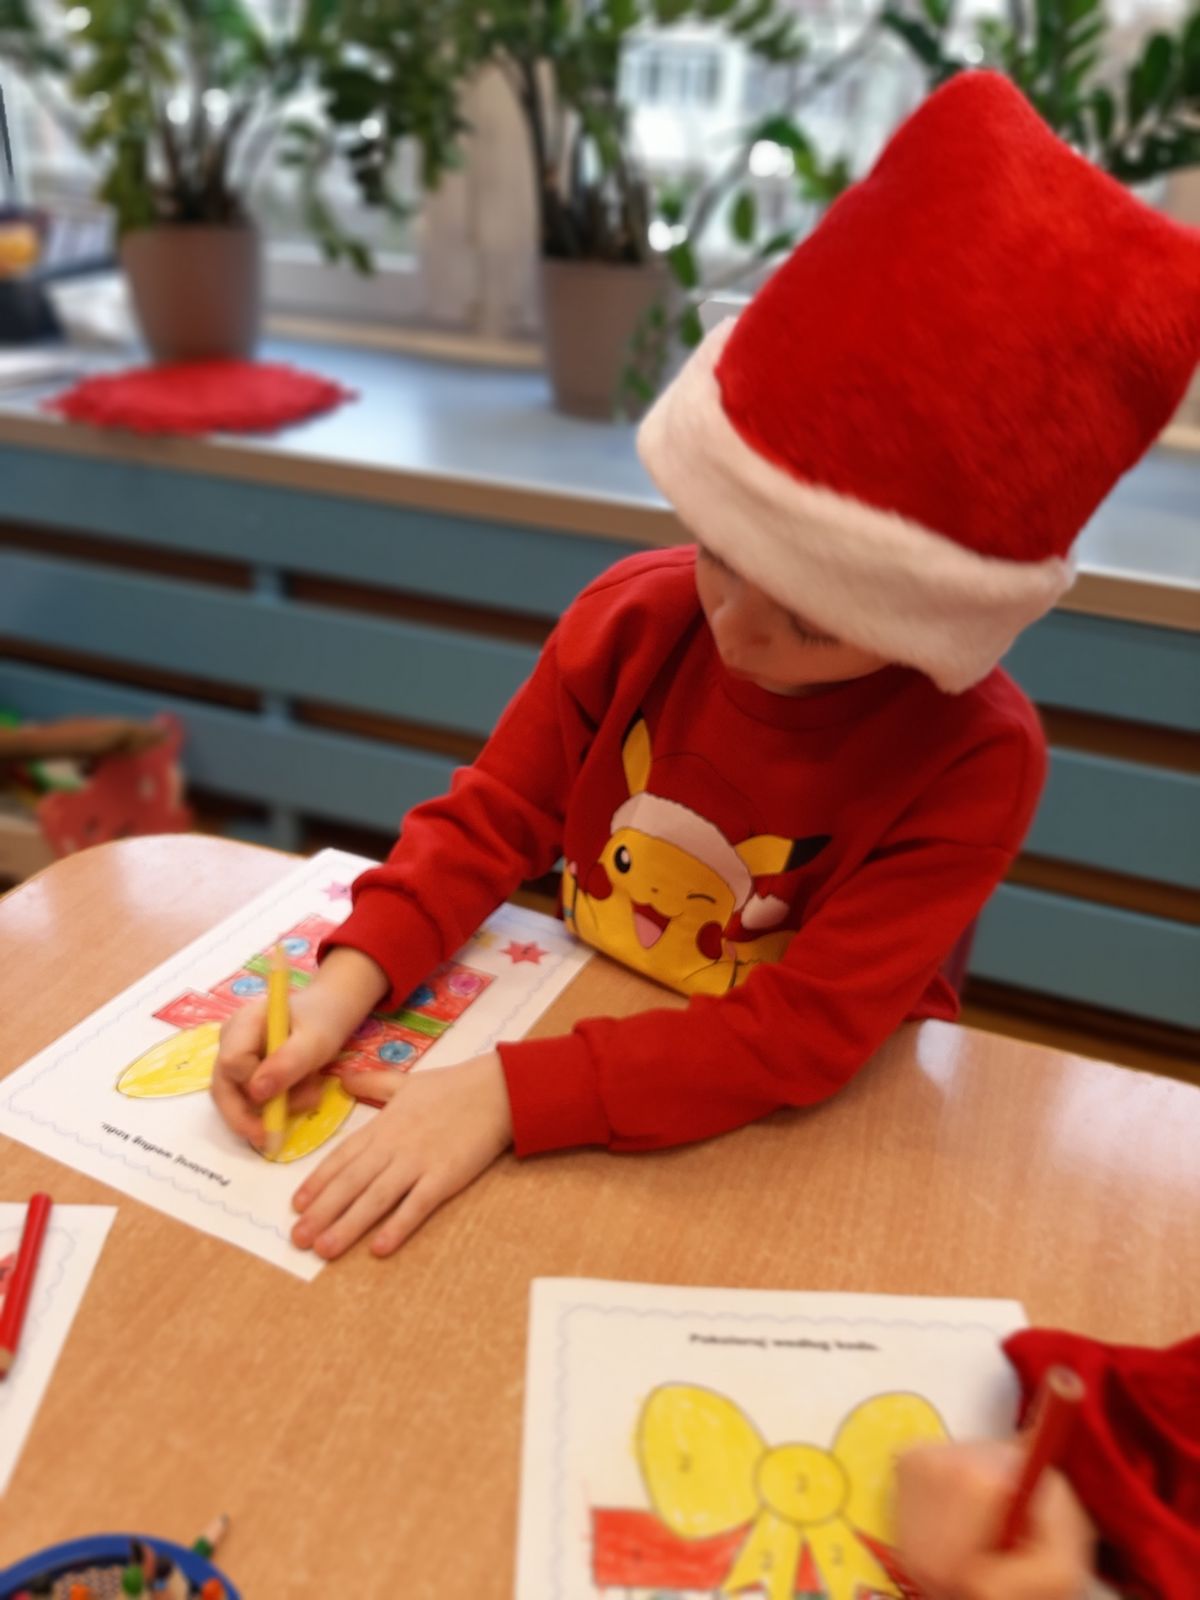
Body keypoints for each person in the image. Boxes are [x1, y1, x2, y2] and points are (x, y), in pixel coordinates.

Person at [210, 72, 1200, 1262]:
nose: (733, 627)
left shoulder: (975, 755)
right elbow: (491, 819)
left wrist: (507, 1095)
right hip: (595, 1027)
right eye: (720, 552)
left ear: (935, 623)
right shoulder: (637, 614)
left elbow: (805, 1035)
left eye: (813, 623)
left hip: (809, 1132)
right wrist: (343, 985)